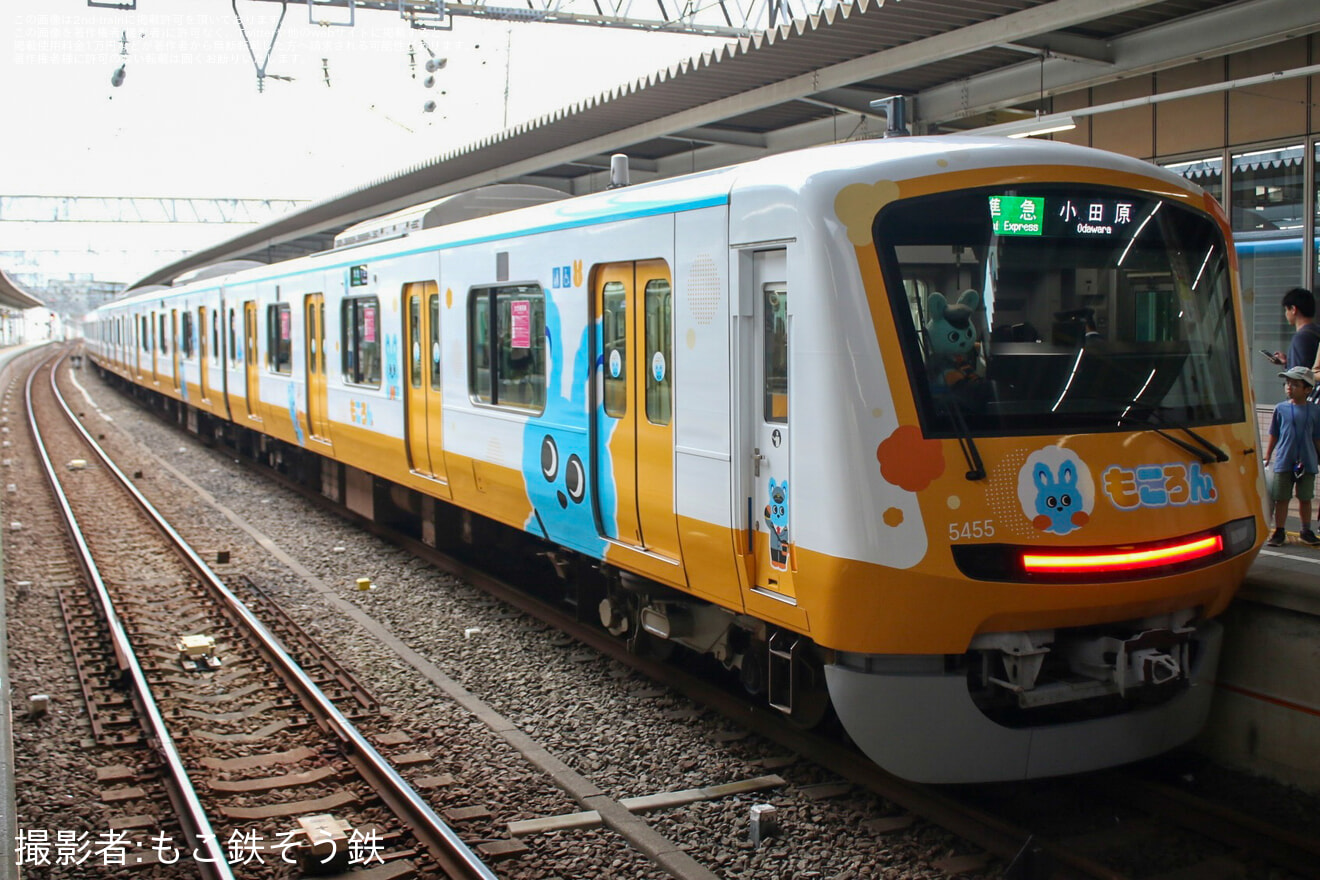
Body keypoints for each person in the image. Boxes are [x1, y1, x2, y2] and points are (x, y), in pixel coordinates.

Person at [1263, 366, 1320, 547]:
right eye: (1287, 383)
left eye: (1295, 384)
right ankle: (1279, 530)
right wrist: (1268, 455)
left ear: (1308, 389)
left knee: (1305, 498)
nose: (1289, 387)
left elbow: (1317, 437)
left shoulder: (1315, 411)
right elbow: (1274, 434)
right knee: (1282, 498)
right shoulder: (1280, 409)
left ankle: (1305, 530)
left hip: (1308, 461)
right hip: (1284, 460)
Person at [1267, 287, 1320, 373]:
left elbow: (1299, 375)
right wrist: (1288, 361)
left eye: (1286, 309)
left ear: (1293, 309)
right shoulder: (1316, 331)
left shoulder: (1301, 338)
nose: (1286, 314)